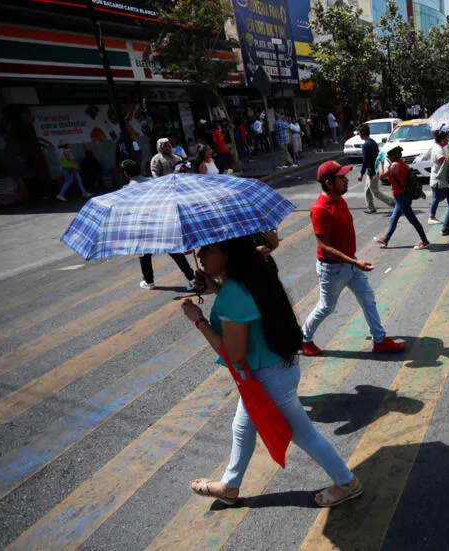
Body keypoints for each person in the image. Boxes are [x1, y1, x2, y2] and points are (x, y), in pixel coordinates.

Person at [180, 235, 362, 508]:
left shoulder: (234, 293)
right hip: (273, 369)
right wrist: (216, 286)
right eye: (200, 250)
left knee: (303, 435)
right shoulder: (251, 275)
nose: (200, 256)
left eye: (208, 249)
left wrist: (199, 321)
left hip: (267, 378)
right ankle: (230, 486)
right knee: (242, 427)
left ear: (228, 253)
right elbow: (246, 307)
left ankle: (348, 483)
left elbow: (233, 353)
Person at [299, 160, 405, 357]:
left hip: (350, 263)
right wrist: (354, 262)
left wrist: (353, 261)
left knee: (368, 298)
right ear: (329, 183)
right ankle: (303, 339)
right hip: (333, 269)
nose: (346, 180)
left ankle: (379, 340)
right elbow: (324, 247)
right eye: (341, 178)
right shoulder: (320, 209)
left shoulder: (340, 200)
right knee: (326, 307)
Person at [120, 159, 197, 291]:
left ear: (126, 174)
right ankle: (192, 278)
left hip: (142, 226)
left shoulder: (126, 190)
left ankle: (149, 281)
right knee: (175, 251)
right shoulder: (154, 182)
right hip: (162, 220)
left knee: (144, 254)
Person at [374, 145, 430, 249]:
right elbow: (409, 180)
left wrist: (380, 163)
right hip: (403, 196)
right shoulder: (402, 163)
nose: (388, 158)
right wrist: (420, 192)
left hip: (401, 197)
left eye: (389, 156)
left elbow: (382, 176)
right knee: (394, 218)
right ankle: (385, 240)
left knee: (412, 219)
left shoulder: (395, 165)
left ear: (394, 156)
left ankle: (425, 241)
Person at [359, 125, 394, 214]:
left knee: (375, 192)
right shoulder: (373, 142)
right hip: (374, 169)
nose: (359, 135)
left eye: (359, 133)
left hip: (372, 171)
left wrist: (361, 173)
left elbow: (365, 160)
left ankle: (394, 203)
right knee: (367, 190)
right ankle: (371, 208)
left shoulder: (366, 145)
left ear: (362, 134)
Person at [426, 129, 449, 225]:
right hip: (438, 179)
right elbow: (445, 163)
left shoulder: (438, 147)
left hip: (442, 179)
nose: (448, 141)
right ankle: (431, 217)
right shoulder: (438, 149)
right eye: (447, 139)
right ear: (441, 139)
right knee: (436, 198)